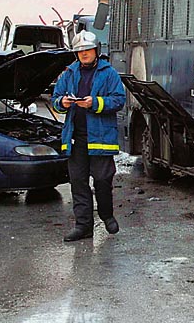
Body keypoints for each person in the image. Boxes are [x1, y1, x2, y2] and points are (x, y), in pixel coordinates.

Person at [52, 30, 126, 242]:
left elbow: (119, 100)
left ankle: (106, 214)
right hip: (76, 138)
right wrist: (63, 102)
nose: (84, 54)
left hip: (101, 137)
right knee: (78, 182)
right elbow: (56, 97)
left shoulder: (108, 72)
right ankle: (83, 226)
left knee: (102, 179)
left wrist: (95, 103)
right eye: (80, 51)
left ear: (96, 51)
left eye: (88, 50)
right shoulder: (69, 73)